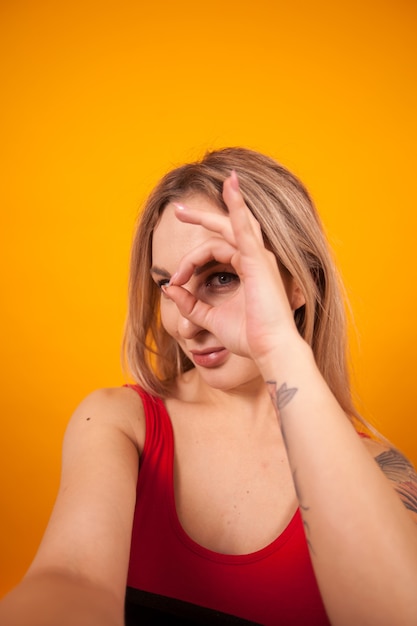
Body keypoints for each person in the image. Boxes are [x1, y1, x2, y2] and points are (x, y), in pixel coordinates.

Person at [1, 147, 417, 625]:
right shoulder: (122, 422)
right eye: (166, 286)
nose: (187, 321)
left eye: (222, 277)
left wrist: (277, 346)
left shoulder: (379, 470)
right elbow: (72, 581)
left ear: (301, 283)